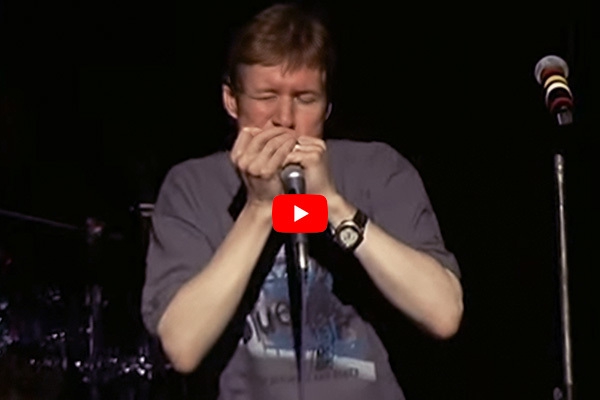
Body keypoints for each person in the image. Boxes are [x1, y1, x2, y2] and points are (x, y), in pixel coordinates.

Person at [141, 3, 463, 399]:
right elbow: (182, 346)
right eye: (266, 96)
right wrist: (260, 210)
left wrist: (333, 205)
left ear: (327, 105)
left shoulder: (377, 170)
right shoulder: (193, 185)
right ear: (231, 100)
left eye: (305, 98)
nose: (285, 117)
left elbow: (444, 314)